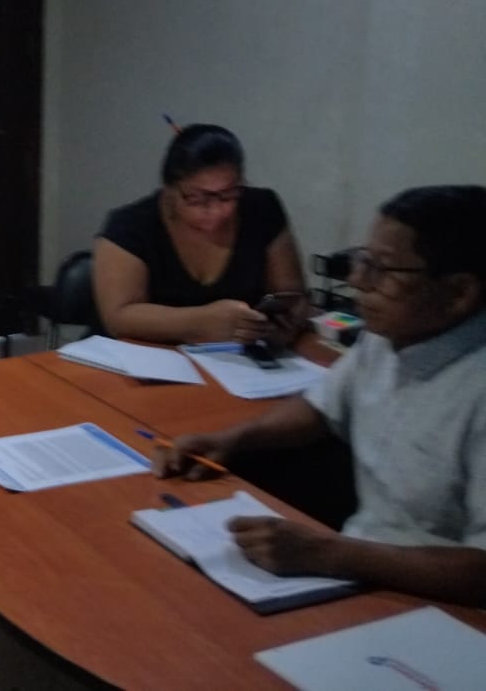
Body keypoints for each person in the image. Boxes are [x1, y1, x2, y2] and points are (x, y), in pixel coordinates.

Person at [155, 185, 486, 606]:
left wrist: (330, 554)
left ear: (459, 293)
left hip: (443, 607)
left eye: (382, 269)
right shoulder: (390, 335)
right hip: (360, 568)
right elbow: (321, 408)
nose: (357, 280)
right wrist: (232, 439)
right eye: (362, 260)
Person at [93, 124, 308, 345]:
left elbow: (291, 294)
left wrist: (284, 323)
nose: (216, 210)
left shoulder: (262, 209)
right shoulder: (130, 225)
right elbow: (118, 318)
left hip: (236, 358)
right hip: (139, 357)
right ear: (169, 190)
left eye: (228, 195)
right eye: (197, 199)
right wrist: (200, 324)